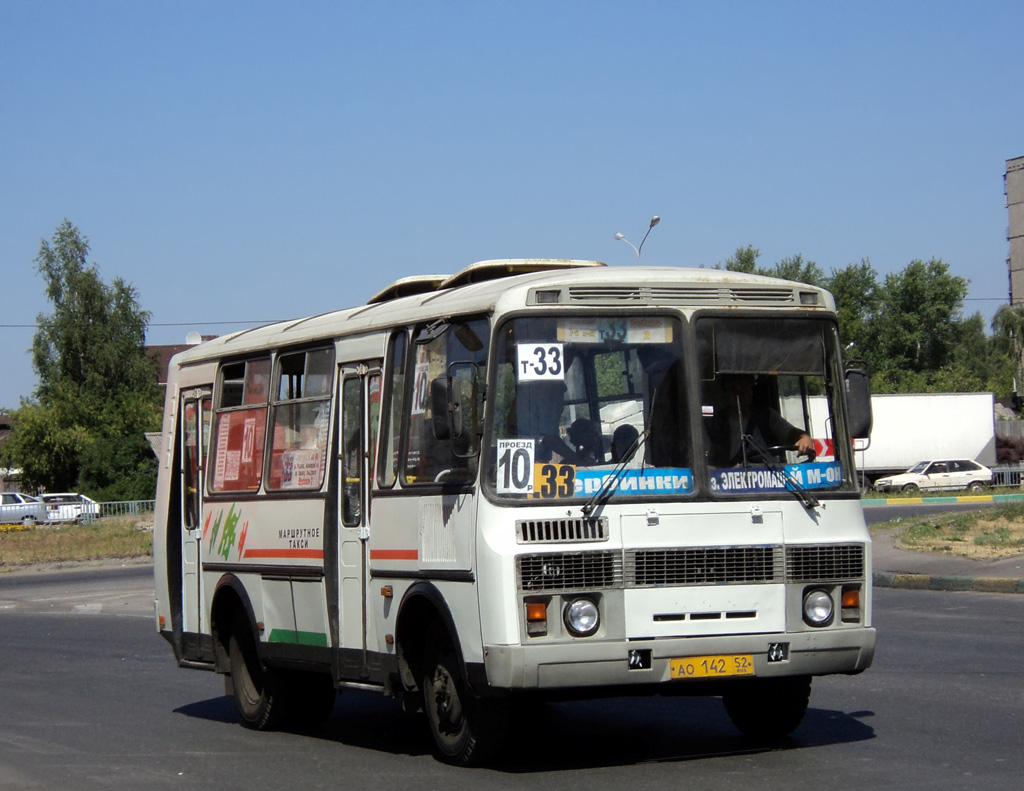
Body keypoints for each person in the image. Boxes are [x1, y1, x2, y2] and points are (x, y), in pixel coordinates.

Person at [707, 374, 814, 467]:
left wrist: (804, 437)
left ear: (751, 390)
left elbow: (790, 433)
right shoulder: (714, 423)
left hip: (767, 479)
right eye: (733, 389)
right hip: (725, 485)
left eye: (744, 387)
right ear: (725, 393)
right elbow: (705, 456)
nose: (739, 393)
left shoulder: (767, 415)